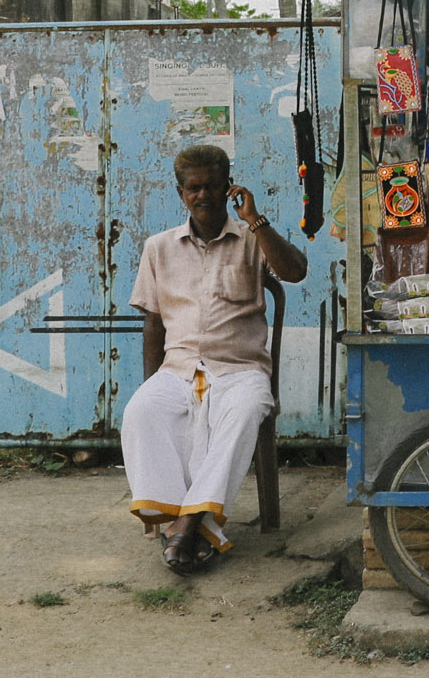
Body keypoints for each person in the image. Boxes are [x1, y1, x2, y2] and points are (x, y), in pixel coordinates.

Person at [123, 143, 307, 573]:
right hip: (178, 368)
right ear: (180, 191)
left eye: (211, 186)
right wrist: (152, 381)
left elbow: (295, 272)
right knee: (140, 412)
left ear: (229, 187)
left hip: (240, 369)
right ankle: (179, 518)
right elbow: (153, 323)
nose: (202, 195)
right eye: (193, 188)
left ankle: (187, 525)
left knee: (244, 413)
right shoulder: (159, 248)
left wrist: (256, 221)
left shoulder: (251, 239)